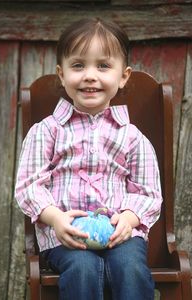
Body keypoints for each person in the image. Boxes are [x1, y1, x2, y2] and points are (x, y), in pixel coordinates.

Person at [15, 18, 162, 300]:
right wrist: (55, 218)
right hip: (66, 235)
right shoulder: (47, 131)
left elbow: (148, 192)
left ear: (123, 76)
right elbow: (28, 186)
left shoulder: (132, 137)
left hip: (121, 235)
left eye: (103, 66)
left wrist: (129, 220)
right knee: (82, 269)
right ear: (61, 74)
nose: (90, 76)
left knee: (130, 267)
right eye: (78, 65)